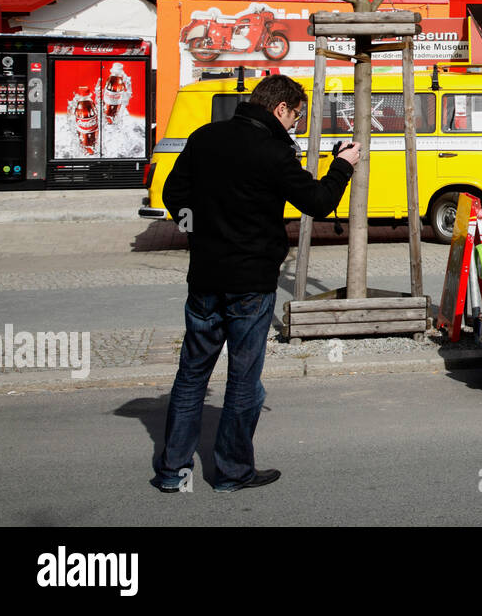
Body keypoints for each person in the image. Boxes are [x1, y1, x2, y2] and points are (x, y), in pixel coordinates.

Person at [151, 74, 360, 493]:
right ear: (280, 109)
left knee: (191, 376)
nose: (295, 126)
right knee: (244, 380)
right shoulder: (274, 151)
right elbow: (318, 203)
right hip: (250, 284)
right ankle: (231, 473)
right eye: (296, 117)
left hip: (205, 278)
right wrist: (343, 165)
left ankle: (172, 472)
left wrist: (200, 229)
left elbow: (174, 194)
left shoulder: (205, 136)